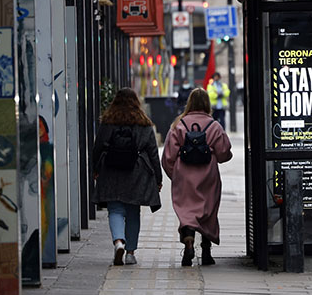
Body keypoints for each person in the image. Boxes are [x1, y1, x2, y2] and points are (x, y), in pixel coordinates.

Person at [161, 88, 232, 266]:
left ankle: (188, 241)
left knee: (187, 211)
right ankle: (206, 251)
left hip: (184, 175)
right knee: (208, 211)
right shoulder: (214, 126)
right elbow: (225, 153)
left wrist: (176, 175)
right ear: (207, 103)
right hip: (208, 176)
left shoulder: (179, 125)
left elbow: (168, 157)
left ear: (189, 103)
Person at [92, 88, 162, 266]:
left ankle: (118, 242)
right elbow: (153, 152)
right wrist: (158, 178)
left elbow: (98, 146)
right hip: (136, 171)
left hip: (111, 168)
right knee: (132, 212)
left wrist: (95, 168)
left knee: (115, 209)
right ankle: (130, 253)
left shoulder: (108, 121)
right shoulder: (144, 123)